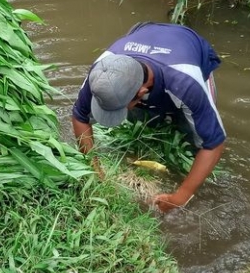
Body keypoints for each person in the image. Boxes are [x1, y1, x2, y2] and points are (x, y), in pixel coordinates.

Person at [72, 22, 226, 213]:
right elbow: (79, 116)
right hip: (145, 37)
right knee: (143, 121)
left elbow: (214, 144)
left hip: (188, 51)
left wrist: (180, 197)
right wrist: (94, 170)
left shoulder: (186, 84)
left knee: (195, 140)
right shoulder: (103, 73)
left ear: (142, 92)